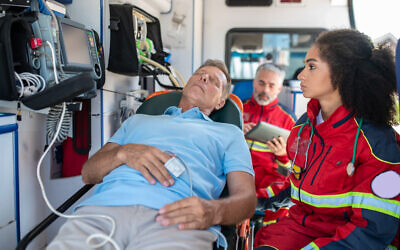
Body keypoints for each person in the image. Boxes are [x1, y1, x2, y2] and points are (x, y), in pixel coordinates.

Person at [47, 59, 257, 250]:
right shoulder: (137, 121)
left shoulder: (229, 134)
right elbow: (89, 173)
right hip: (103, 211)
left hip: (178, 219)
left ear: (220, 103)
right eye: (200, 73)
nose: (203, 77)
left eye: (214, 82)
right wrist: (122, 153)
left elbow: (247, 200)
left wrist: (213, 212)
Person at [254, 29, 400, 249]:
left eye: (311, 67)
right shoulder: (304, 126)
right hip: (304, 228)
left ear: (341, 74)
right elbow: (296, 185)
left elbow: (372, 230)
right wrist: (257, 202)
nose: (301, 75)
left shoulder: (378, 143)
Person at [243, 63, 296, 199]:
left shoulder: (289, 121)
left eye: (271, 85)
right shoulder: (238, 110)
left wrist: (282, 155)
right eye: (261, 83)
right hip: (236, 180)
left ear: (279, 88)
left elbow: (291, 173)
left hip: (267, 192)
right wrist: (236, 131)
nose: (265, 90)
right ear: (254, 83)